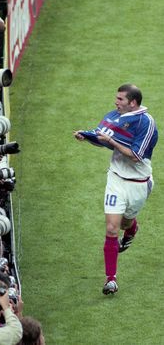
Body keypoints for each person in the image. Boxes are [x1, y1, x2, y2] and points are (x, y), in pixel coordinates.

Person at [74, 83, 158, 295]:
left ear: (133, 102)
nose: (116, 102)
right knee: (111, 228)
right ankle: (110, 279)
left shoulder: (146, 123)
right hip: (116, 179)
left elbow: (136, 155)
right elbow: (103, 139)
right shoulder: (114, 116)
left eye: (120, 99)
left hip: (138, 183)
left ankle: (131, 229)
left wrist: (111, 140)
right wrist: (88, 137)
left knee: (125, 223)